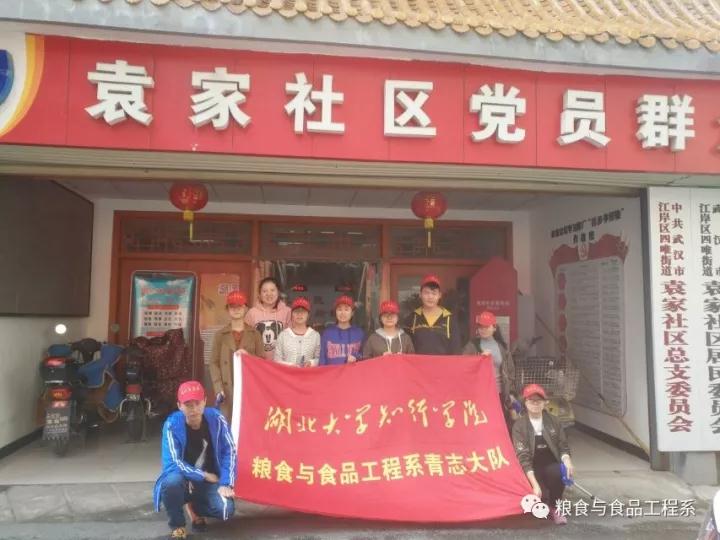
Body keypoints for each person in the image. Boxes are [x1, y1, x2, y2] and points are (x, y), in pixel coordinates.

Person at [153, 381, 237, 540]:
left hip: (209, 480)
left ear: (205, 401)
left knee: (226, 510)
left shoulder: (217, 419)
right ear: (179, 406)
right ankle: (178, 526)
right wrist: (202, 475)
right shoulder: (171, 425)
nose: (193, 409)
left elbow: (230, 451)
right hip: (184, 479)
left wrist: (226, 483)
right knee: (171, 483)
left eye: (197, 403)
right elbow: (173, 463)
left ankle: (194, 507)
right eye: (188, 405)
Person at [512, 383, 575, 525]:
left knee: (559, 472)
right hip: (530, 468)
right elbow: (523, 457)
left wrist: (567, 461)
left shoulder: (554, 421)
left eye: (539, 400)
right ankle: (541, 498)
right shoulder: (519, 426)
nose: (535, 403)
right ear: (525, 402)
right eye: (531, 400)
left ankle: (555, 507)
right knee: (536, 502)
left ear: (545, 402)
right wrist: (534, 485)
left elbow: (563, 446)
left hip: (550, 464)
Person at [209, 290, 263, 421]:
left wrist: (248, 357)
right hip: (227, 389)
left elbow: (262, 362)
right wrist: (218, 387)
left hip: (248, 387)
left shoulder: (255, 334)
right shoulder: (220, 335)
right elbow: (213, 363)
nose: (236, 309)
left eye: (240, 306)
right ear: (227, 309)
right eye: (232, 306)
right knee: (227, 423)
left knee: (247, 422)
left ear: (245, 308)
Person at [462, 311, 518, 426]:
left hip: (499, 393)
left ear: (494, 328)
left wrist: (511, 393)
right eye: (481, 327)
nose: (483, 330)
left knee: (499, 423)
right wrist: (479, 358)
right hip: (479, 393)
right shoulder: (472, 345)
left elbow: (510, 372)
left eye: (486, 327)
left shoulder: (502, 347)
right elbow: (463, 365)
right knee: (481, 423)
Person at [404, 274, 463, 355]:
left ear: (439, 295)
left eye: (434, 293)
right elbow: (405, 348)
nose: (430, 297)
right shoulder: (412, 318)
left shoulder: (450, 319)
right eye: (426, 293)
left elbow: (456, 350)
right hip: (417, 363)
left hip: (443, 363)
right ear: (420, 295)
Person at [244, 277, 292, 361]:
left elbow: (292, 339)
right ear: (259, 294)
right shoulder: (252, 313)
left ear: (278, 292)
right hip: (258, 362)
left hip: (281, 362)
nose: (269, 294)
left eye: (272, 290)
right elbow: (246, 339)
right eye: (264, 291)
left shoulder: (287, 312)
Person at [274, 297, 321, 367]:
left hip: (308, 373)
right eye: (296, 311)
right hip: (287, 373)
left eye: (303, 311)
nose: (299, 314)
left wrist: (311, 363)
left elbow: (319, 358)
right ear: (292, 314)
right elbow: (276, 360)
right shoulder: (283, 335)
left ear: (308, 315)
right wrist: (290, 365)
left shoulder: (315, 335)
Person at [319, 295, 365, 365]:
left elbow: (365, 356)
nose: (343, 313)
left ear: (352, 313)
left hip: (353, 371)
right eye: (339, 309)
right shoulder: (327, 333)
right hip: (332, 372)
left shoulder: (359, 333)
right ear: (335, 312)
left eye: (346, 309)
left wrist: (356, 357)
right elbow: (322, 359)